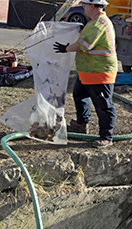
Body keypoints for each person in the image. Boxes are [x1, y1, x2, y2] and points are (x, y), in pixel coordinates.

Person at [53, 0, 118, 148]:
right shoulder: (95, 22)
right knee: (80, 95)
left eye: (85, 5)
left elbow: (84, 45)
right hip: (88, 72)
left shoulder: (98, 24)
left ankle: (106, 137)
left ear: (93, 6)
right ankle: (82, 124)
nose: (83, 8)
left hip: (99, 72)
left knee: (103, 105)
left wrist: (66, 48)